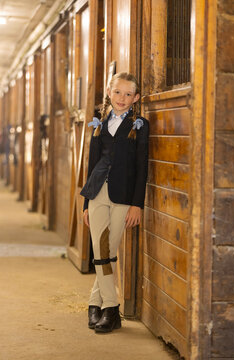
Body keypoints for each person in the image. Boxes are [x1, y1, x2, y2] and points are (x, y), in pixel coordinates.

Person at [80, 72, 149, 333]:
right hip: (97, 193)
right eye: (118, 92)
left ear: (136, 98)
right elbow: (92, 163)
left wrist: (137, 204)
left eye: (128, 94)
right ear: (109, 92)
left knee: (108, 250)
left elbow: (142, 167)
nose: (122, 98)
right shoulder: (99, 124)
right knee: (100, 248)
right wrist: (87, 203)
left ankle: (95, 304)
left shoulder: (140, 124)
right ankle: (110, 308)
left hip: (123, 198)